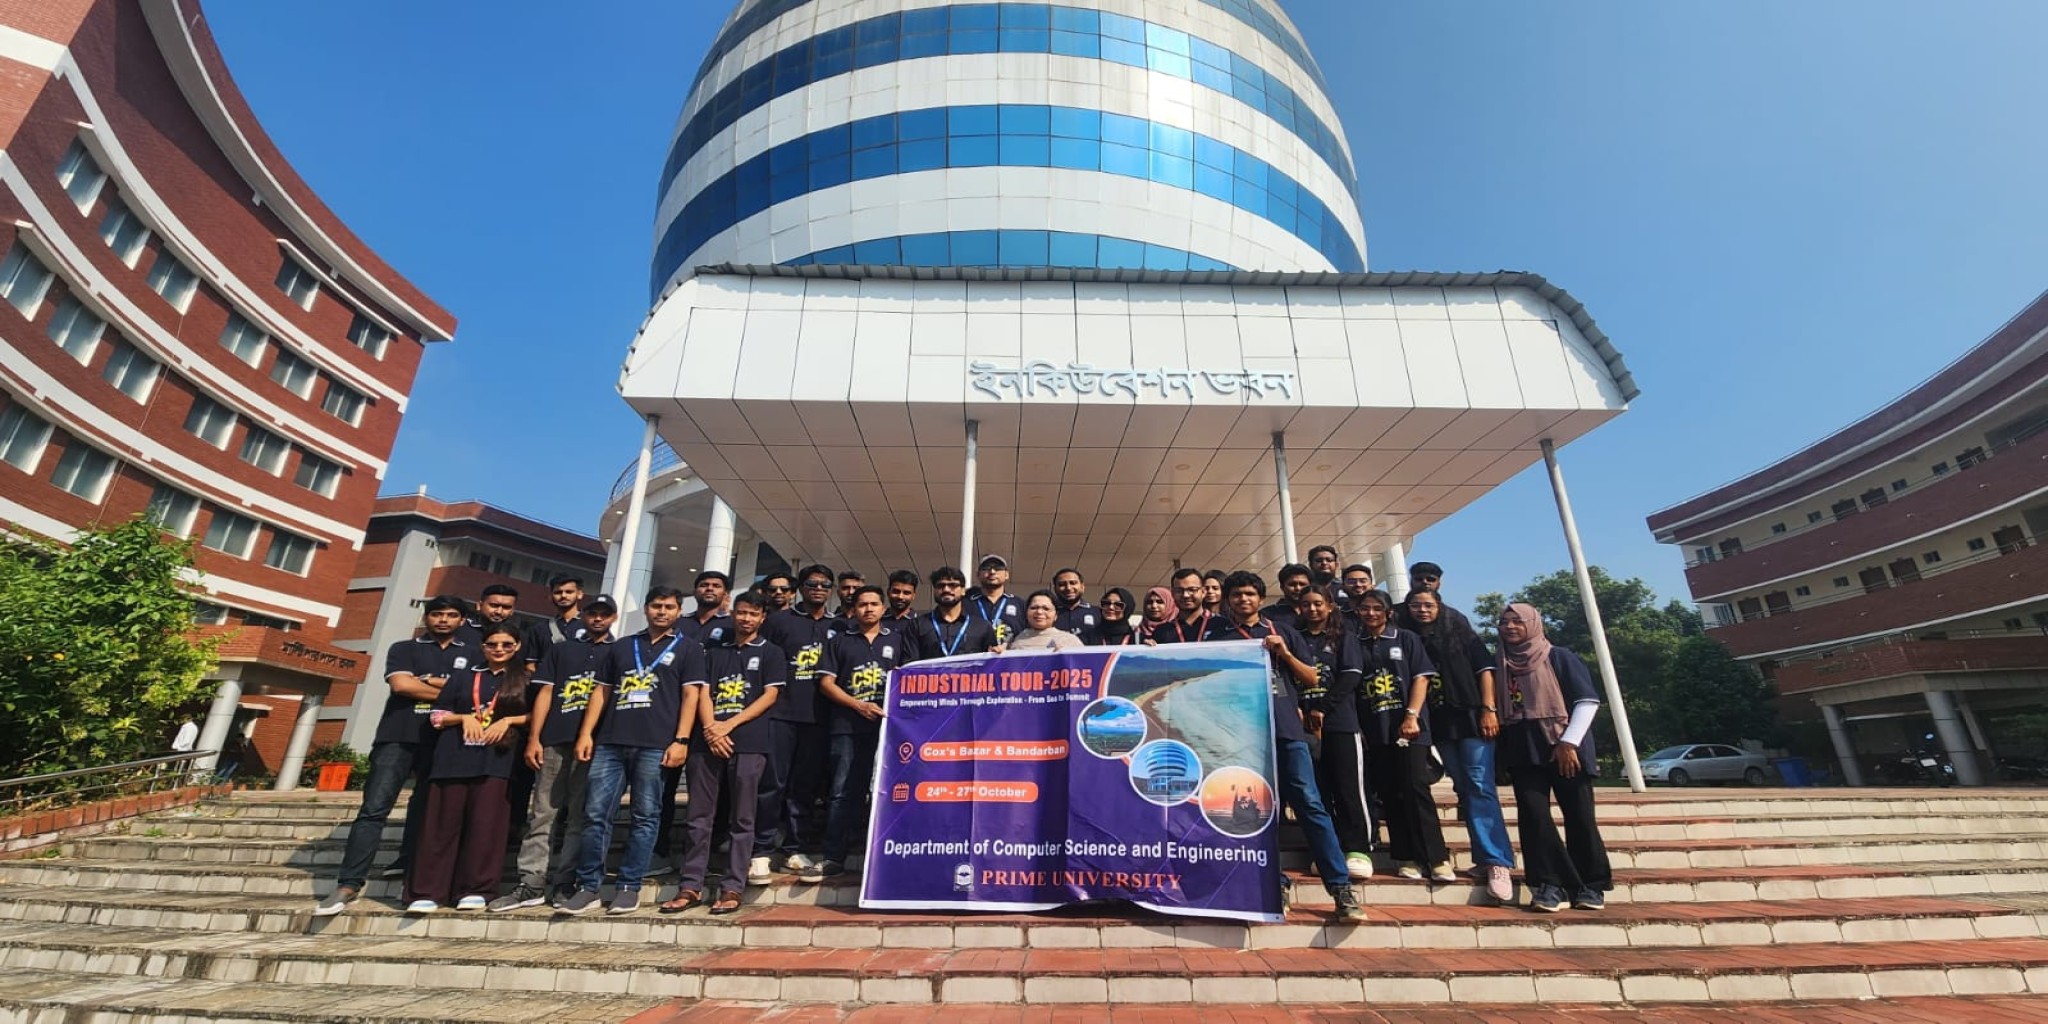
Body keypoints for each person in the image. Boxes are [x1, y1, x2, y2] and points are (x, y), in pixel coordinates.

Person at [1192, 571, 1364, 922]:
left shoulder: (1283, 630)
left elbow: (1312, 678)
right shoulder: (1218, 636)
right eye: (1237, 594)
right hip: (1238, 736)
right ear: (1228, 599)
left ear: (1260, 598)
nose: (1243, 600)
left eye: (1250, 594)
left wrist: (1284, 653)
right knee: (1256, 812)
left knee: (1310, 804)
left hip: (1286, 731)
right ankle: (1275, 882)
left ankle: (1340, 886)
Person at [314, 596, 470, 917]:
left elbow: (471, 695)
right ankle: (349, 883)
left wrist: (425, 682)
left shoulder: (473, 654)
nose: (443, 620)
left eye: (451, 615)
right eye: (437, 614)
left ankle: (412, 873)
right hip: (397, 737)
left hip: (443, 741)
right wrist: (450, 692)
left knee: (428, 811)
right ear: (426, 617)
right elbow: (401, 686)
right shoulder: (404, 648)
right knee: (373, 810)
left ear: (462, 621)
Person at [558, 586, 706, 917]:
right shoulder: (623, 646)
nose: (662, 612)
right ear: (646, 609)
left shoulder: (689, 648)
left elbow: (691, 697)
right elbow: (601, 692)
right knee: (595, 814)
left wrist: (681, 740)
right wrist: (586, 734)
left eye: (669, 607)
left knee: (646, 815)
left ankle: (629, 886)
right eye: (656, 606)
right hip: (611, 741)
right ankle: (588, 886)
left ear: (678, 612)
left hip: (656, 743)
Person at [663, 590, 784, 915]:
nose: (746, 618)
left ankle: (732, 887)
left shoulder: (771, 652)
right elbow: (702, 692)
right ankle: (690, 885)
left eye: (753, 614)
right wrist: (710, 728)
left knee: (742, 818)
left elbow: (769, 696)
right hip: (707, 743)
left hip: (749, 742)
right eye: (742, 612)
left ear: (762, 618)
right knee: (698, 817)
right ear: (733, 613)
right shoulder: (713, 652)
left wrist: (729, 725)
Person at [495, 594, 617, 911]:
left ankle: (565, 882)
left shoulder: (618, 652)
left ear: (614, 618)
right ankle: (531, 882)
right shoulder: (561, 650)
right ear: (584, 615)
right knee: (543, 812)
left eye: (604, 614)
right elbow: (546, 693)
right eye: (593, 613)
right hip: (555, 738)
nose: (598, 619)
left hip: (593, 744)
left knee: (579, 815)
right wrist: (535, 737)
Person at [405, 623, 531, 914]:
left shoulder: (524, 680)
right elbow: (436, 716)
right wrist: (463, 718)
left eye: (506, 644)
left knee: (485, 828)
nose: (499, 649)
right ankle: (428, 890)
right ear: (482, 647)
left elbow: (536, 716)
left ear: (517, 647)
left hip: (496, 761)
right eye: (492, 644)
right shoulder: (464, 677)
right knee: (440, 828)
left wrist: (508, 721)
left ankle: (476, 888)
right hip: (453, 759)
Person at [1494, 602, 1611, 913]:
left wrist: (1569, 743)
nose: (1510, 627)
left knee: (1579, 816)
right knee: (1534, 817)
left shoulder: (1559, 657)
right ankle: (1548, 884)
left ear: (1533, 624)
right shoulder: (1501, 663)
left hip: (1564, 746)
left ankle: (1590, 884)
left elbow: (1587, 701)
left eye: (1517, 621)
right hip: (1523, 745)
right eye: (1504, 622)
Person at [1407, 589, 1515, 903]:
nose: (1422, 610)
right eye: (1416, 605)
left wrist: (1488, 709)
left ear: (1439, 606)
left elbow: (1486, 671)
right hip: (1442, 724)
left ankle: (1497, 861)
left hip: (1473, 719)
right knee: (1464, 788)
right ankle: (1483, 855)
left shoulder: (1462, 635)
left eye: (1428, 605)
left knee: (1480, 785)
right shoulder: (1413, 640)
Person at [804, 586, 908, 882]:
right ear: (854, 608)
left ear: (883, 608)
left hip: (890, 729)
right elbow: (826, 684)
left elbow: (912, 677)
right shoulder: (839, 641)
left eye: (874, 604)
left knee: (891, 791)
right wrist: (858, 705)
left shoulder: (898, 640)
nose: (868, 609)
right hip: (847, 727)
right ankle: (834, 856)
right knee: (842, 791)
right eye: (863, 604)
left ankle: (885, 855)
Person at [1353, 590, 1452, 883]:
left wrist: (1411, 715)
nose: (1371, 613)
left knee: (1416, 787)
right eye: (1365, 608)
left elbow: (1421, 676)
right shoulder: (1354, 642)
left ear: (1388, 612)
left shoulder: (1405, 639)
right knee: (1390, 792)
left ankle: (1437, 858)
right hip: (1376, 729)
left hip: (1409, 727)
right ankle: (1406, 856)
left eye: (1377, 608)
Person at [756, 564, 839, 879]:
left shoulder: (839, 625)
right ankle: (762, 849)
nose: (818, 588)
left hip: (819, 717)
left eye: (824, 584)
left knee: (804, 788)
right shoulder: (779, 621)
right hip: (781, 714)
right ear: (800, 589)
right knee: (772, 784)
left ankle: (794, 848)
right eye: (812, 583)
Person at [658, 570, 734, 873]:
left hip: (713, 714)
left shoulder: (731, 626)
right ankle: (659, 848)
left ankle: (713, 845)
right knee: (664, 785)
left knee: (716, 787)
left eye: (716, 586)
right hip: (673, 711)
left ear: (725, 594)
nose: (709, 589)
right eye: (704, 585)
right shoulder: (680, 624)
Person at [1295, 587, 1371, 879]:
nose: (1312, 609)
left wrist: (1323, 708)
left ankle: (1358, 849)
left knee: (1348, 788)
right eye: (1306, 604)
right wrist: (1300, 708)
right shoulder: (1295, 638)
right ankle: (1327, 851)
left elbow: (1351, 676)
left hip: (1340, 723)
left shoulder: (1343, 637)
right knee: (1317, 791)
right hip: (1304, 725)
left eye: (1318, 604)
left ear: (1329, 606)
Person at [903, 566, 999, 663]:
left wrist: (998, 653)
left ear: (963, 590)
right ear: (934, 590)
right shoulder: (917, 625)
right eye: (940, 585)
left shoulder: (982, 627)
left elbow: (992, 664)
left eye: (953, 585)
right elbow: (910, 664)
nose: (946, 590)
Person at [525, 575, 588, 670]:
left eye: (569, 592)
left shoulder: (591, 626)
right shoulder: (540, 629)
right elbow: (531, 665)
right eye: (558, 592)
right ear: (551, 596)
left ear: (580, 594)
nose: (563, 596)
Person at [1395, 561, 1475, 635]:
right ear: (1411, 582)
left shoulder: (1454, 618)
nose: (1425, 582)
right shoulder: (1393, 614)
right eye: (1419, 579)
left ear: (1438, 583)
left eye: (1430, 579)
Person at [968, 555, 1022, 646]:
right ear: (978, 574)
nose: (992, 572)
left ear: (1006, 575)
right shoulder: (966, 604)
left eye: (998, 568)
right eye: (986, 568)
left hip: (1009, 654)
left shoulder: (1019, 604)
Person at [1010, 590, 1085, 650]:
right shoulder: (1016, 640)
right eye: (1034, 608)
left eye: (1046, 608)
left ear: (1056, 615)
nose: (1039, 612)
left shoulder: (1070, 640)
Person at [1154, 569, 1213, 645]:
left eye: (1192, 590)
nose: (1186, 595)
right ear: (1172, 593)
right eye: (1179, 591)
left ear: (1203, 592)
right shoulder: (1162, 631)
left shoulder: (1221, 625)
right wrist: (1147, 648)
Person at [1051, 568, 1098, 640]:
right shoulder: (1048, 614)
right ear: (1055, 589)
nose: (1068, 588)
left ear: (1082, 586)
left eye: (1073, 583)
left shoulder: (1098, 613)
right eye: (1062, 584)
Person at [1263, 563, 1313, 629]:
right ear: (1282, 587)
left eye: (1302, 584)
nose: (1298, 588)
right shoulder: (1267, 614)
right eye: (1292, 584)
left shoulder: (1318, 611)